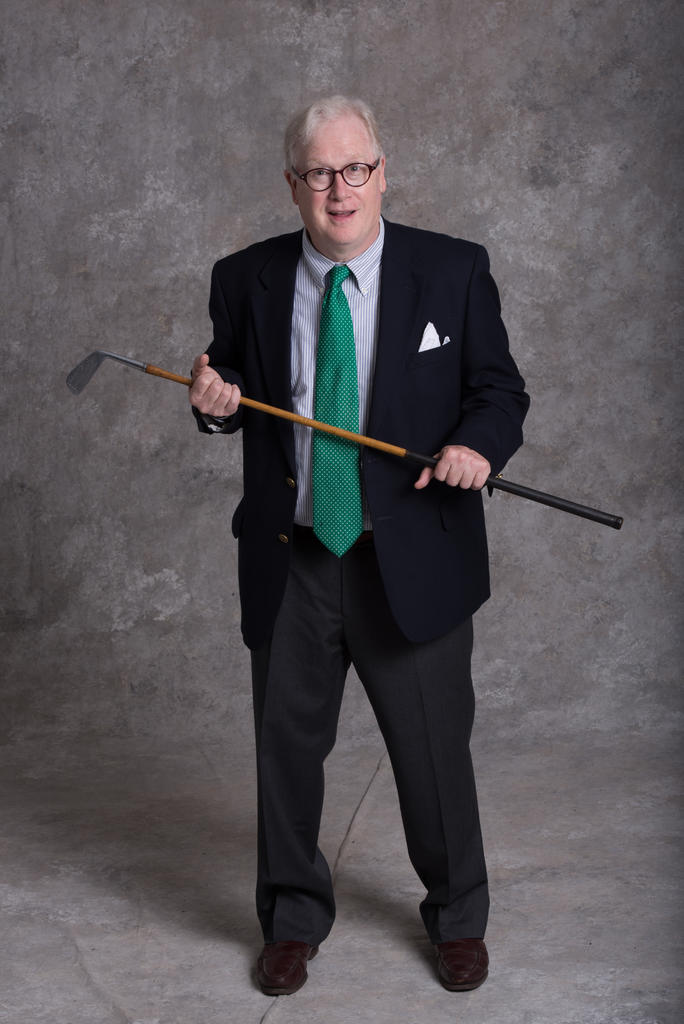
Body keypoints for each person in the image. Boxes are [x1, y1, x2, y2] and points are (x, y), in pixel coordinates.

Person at [189, 95, 529, 996]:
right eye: (319, 173)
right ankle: (291, 919)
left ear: (383, 173)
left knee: (433, 755)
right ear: (292, 183)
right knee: (285, 754)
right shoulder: (245, 277)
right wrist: (212, 402)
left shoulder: (452, 270)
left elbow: (499, 392)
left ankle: (458, 916)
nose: (339, 190)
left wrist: (477, 446)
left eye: (355, 169)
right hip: (293, 556)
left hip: (408, 558)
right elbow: (228, 382)